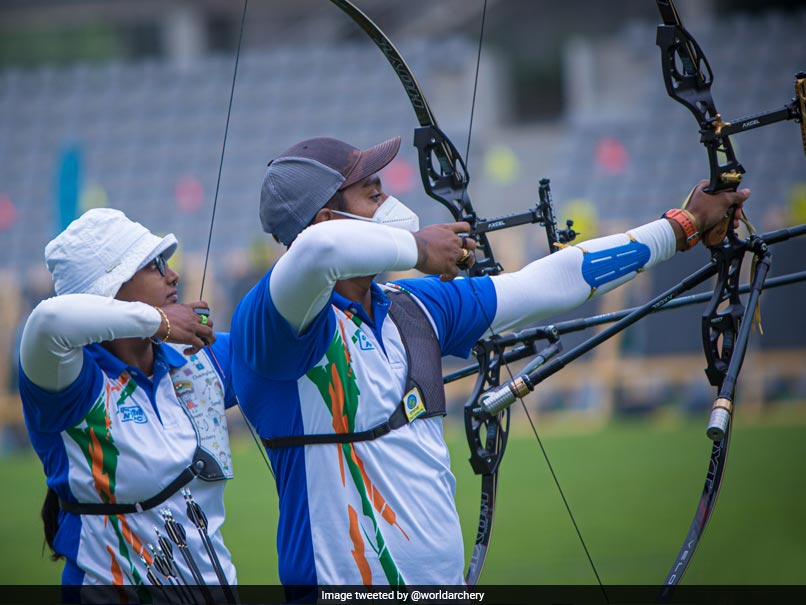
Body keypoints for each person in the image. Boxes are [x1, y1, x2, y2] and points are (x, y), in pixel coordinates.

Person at [228, 135, 748, 589]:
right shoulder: (273, 327)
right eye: (371, 192)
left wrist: (682, 226)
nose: (388, 197)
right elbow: (319, 250)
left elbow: (550, 281)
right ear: (327, 216)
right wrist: (416, 247)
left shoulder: (414, 309)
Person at [18, 208, 238, 597]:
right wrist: (159, 320)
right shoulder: (73, 383)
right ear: (110, 288)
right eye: (154, 266)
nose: (173, 275)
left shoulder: (198, 357)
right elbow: (49, 320)